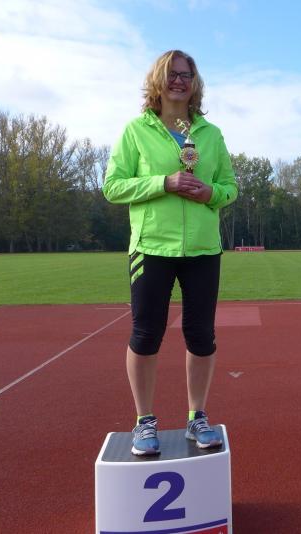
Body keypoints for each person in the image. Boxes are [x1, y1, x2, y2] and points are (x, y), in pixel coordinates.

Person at [103, 50, 238, 455]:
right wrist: (164, 182)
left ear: (195, 84)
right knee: (146, 335)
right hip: (151, 246)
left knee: (202, 336)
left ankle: (198, 416)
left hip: (202, 248)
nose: (179, 81)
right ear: (158, 81)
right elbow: (113, 186)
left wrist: (210, 192)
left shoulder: (210, 134)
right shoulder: (136, 131)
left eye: (186, 75)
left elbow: (230, 187)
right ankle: (144, 420)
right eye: (172, 74)